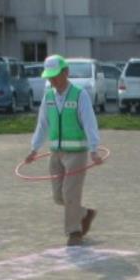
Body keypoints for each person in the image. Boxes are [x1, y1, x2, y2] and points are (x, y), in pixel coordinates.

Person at [24, 55, 103, 246]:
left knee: (70, 194)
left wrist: (94, 149)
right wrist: (34, 149)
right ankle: (84, 213)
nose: (52, 80)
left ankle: (74, 232)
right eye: (49, 76)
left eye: (56, 75)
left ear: (66, 72)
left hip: (77, 153)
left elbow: (89, 122)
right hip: (56, 153)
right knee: (59, 196)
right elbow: (42, 124)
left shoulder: (79, 94)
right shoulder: (48, 96)